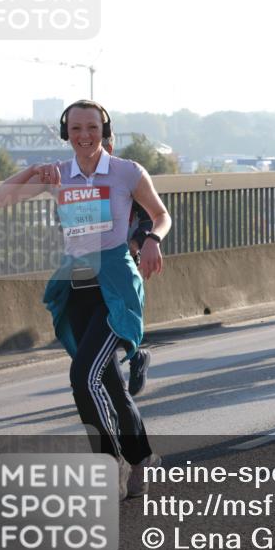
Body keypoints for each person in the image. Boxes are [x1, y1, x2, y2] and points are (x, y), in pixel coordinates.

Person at [0, 100, 170, 499]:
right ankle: (142, 459)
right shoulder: (61, 174)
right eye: (75, 130)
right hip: (76, 286)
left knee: (83, 377)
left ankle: (111, 464)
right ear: (65, 132)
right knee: (108, 383)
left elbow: (160, 215)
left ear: (104, 129)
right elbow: (0, 199)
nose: (84, 136)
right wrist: (34, 171)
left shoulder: (126, 172)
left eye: (91, 128)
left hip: (115, 286)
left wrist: (154, 240)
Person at [102, 135, 152, 397]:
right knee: (95, 319)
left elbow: (150, 219)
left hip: (121, 259)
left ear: (110, 147)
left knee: (119, 314)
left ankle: (135, 357)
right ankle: (112, 380)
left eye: (103, 144)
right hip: (88, 262)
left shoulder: (126, 176)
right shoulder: (77, 178)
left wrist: (136, 243)